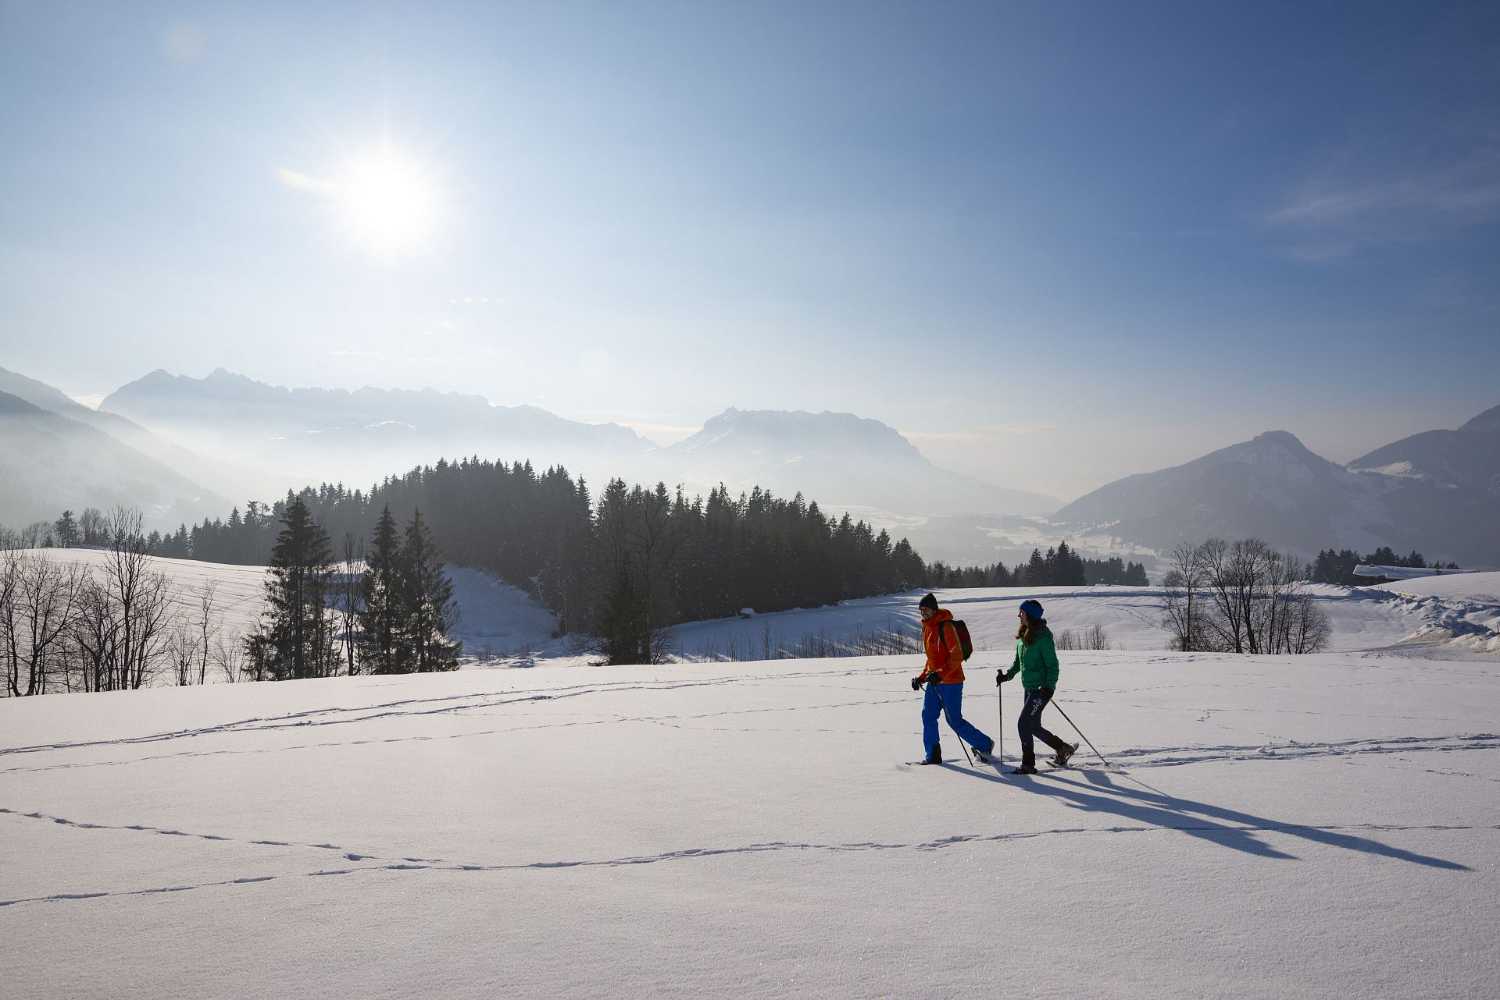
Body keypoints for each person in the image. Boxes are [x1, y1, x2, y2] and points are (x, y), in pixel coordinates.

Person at [910, 593, 995, 765]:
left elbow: (956, 656)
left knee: (954, 721)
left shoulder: (946, 626)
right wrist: (921, 678)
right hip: (935, 682)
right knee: (928, 716)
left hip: (952, 682)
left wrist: (940, 674)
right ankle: (933, 754)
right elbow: (932, 659)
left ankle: (984, 744)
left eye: (925, 610)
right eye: (921, 611)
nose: (923, 614)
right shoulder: (927, 628)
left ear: (934, 609)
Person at [996, 599, 1078, 775]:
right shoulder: (1023, 636)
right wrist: (1006, 676)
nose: (1019, 615)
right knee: (1032, 726)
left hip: (1041, 689)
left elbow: (1053, 665)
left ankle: (1028, 764)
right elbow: (1018, 663)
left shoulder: (1043, 637)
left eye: (1022, 613)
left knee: (1023, 723)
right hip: (1029, 688)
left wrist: (1048, 687)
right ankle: (1063, 748)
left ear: (1030, 615)